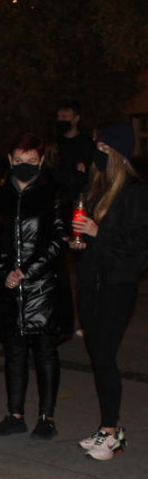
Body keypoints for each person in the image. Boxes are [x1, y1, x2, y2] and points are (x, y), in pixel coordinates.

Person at [0, 132, 68, 440]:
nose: (25, 166)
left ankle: (47, 417)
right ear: (9, 160)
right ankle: (14, 414)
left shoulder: (53, 193)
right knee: (14, 352)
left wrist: (28, 272)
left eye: (31, 161)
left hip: (42, 287)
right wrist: (6, 271)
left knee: (45, 352)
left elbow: (60, 239)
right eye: (19, 161)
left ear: (41, 161)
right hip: (8, 287)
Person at [71, 123, 148, 461]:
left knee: (104, 356)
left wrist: (98, 233)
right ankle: (107, 428)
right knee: (97, 357)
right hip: (91, 282)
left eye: (103, 150)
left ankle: (112, 432)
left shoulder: (135, 191)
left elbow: (138, 249)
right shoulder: (97, 187)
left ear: (117, 153)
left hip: (117, 285)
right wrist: (77, 239)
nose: (97, 155)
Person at [53, 100, 96, 202]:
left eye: (64, 117)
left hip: (80, 197)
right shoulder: (54, 143)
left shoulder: (87, 143)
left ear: (76, 119)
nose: (60, 120)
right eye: (59, 117)